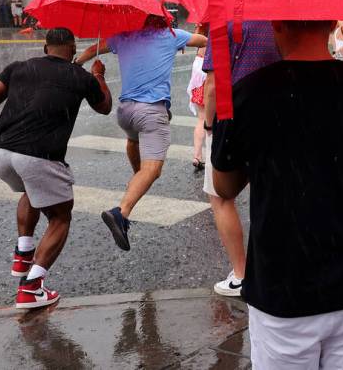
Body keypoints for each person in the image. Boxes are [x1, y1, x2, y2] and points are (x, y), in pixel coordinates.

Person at [212, 20, 343, 369]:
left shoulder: (247, 93)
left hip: (283, 287)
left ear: (276, 24)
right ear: (333, 22)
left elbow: (224, 187)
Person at [0, 28, 112, 308]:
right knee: (60, 216)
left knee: (32, 189)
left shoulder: (19, 68)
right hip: (39, 155)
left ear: (44, 47)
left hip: (0, 152)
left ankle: (24, 252)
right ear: (73, 48)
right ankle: (32, 287)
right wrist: (98, 75)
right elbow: (105, 107)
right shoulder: (81, 77)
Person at [77, 15, 206, 251]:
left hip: (126, 112)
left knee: (133, 139)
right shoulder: (171, 35)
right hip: (151, 111)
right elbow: (203, 40)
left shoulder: (123, 37)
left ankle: (138, 178)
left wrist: (80, 63)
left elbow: (92, 49)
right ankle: (121, 212)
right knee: (153, 170)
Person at [202, 20, 281, 296]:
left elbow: (212, 86)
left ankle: (241, 274)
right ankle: (272, 268)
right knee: (270, 195)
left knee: (221, 198)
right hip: (274, 117)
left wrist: (209, 125)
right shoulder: (276, 19)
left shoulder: (223, 20)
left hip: (231, 119)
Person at [187, 23, 210, 170]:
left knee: (201, 118)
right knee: (214, 118)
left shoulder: (202, 23)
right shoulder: (224, 20)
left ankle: (197, 155)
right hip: (212, 68)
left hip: (198, 66)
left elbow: (192, 40)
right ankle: (212, 157)